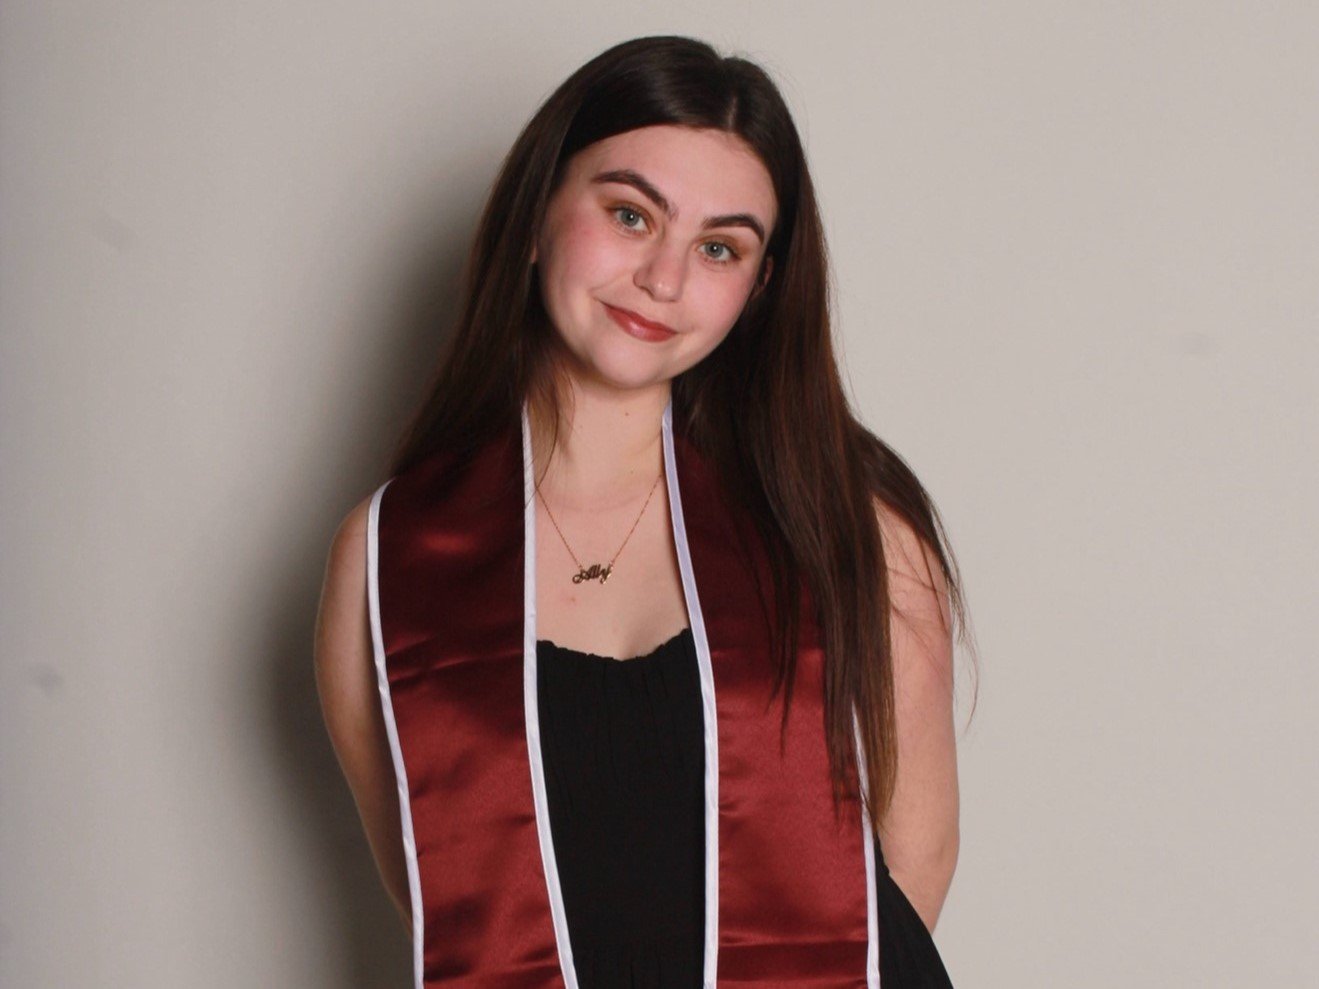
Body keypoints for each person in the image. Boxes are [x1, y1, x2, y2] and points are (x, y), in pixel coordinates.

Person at [314, 34, 972, 988]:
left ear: (758, 288)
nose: (664, 278)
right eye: (629, 215)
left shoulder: (849, 527)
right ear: (536, 213)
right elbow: (445, 906)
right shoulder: (390, 561)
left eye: (718, 247)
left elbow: (913, 867)